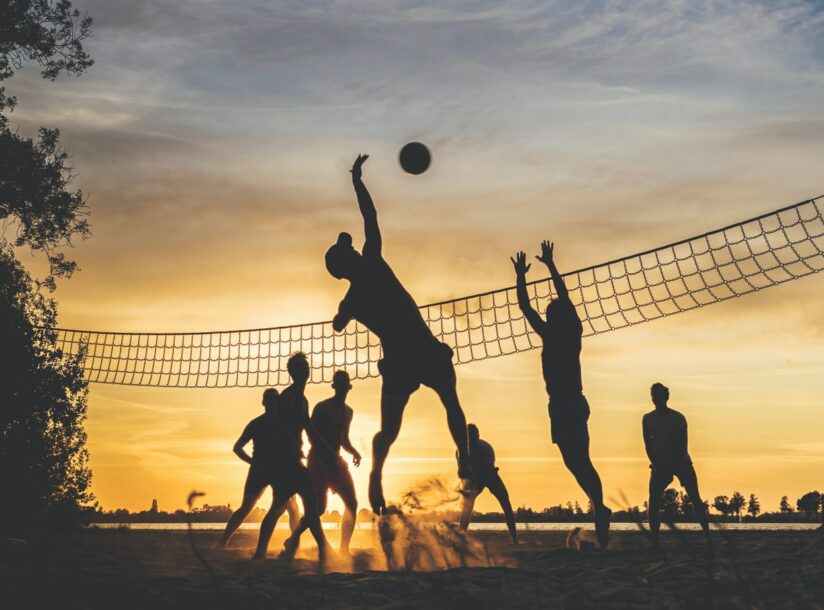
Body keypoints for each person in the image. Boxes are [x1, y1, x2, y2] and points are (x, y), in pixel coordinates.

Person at [324, 154, 472, 514]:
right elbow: (370, 216)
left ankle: (375, 474)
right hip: (421, 348)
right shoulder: (372, 260)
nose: (354, 246)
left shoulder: (352, 297)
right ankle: (465, 460)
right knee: (451, 402)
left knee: (389, 432)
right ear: (349, 259)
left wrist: (344, 312)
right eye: (349, 248)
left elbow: (337, 325)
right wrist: (357, 181)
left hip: (398, 361)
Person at [511, 241, 611, 547]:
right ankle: (599, 505)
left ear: (555, 317)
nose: (546, 314)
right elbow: (537, 306)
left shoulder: (561, 333)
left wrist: (530, 273)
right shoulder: (563, 332)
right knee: (576, 461)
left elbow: (535, 305)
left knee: (579, 459)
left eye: (549, 312)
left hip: (567, 402)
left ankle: (600, 508)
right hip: (566, 403)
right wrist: (539, 269)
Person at [253, 352, 336, 561]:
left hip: (293, 462)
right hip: (283, 462)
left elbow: (309, 429)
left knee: (308, 503)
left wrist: (326, 450)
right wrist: (291, 445)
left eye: (305, 367)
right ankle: (261, 553)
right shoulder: (288, 397)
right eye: (299, 368)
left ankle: (322, 548)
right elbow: (279, 427)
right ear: (292, 372)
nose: (304, 370)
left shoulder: (303, 400)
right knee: (280, 508)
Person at [282, 370, 362, 556]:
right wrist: (322, 454)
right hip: (318, 459)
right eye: (339, 382)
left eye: (345, 382)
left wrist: (354, 452)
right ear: (334, 386)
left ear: (349, 386)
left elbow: (344, 440)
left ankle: (344, 549)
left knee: (352, 503)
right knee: (319, 509)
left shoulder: (349, 412)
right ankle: (293, 538)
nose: (342, 385)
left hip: (336, 459)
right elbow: (312, 434)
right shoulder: (322, 407)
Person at [217, 388, 300, 548]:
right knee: (246, 508)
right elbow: (237, 447)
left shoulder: (285, 423)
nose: (271, 402)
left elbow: (293, 445)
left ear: (278, 402)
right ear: (263, 402)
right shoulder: (256, 424)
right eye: (268, 399)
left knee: (292, 506)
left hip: (280, 470)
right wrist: (252, 462)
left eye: (274, 399)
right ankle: (222, 542)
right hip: (260, 471)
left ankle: (294, 542)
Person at [643, 382, 711, 545]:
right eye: (654, 396)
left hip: (681, 463)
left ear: (666, 397)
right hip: (659, 464)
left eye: (659, 395)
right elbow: (648, 445)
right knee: (653, 501)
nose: (656, 399)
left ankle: (707, 535)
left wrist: (673, 465)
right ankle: (655, 537)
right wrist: (656, 463)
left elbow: (682, 446)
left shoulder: (678, 418)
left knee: (695, 498)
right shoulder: (648, 419)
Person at [458, 424, 517, 543]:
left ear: (478, 436)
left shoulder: (486, 448)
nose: (472, 441)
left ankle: (515, 539)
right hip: (472, 478)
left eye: (474, 437)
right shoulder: (460, 451)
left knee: (505, 502)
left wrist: (477, 489)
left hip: (490, 475)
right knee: (466, 506)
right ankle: (461, 537)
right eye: (469, 438)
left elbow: (488, 471)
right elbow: (462, 472)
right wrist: (465, 491)